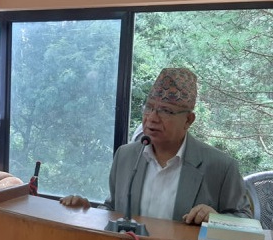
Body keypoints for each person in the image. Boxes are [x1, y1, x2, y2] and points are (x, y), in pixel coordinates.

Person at [60, 68, 251, 225]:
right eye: (149, 107)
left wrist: (216, 219)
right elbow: (113, 210)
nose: (152, 118)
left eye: (166, 111)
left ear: (188, 120)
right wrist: (87, 212)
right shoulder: (126, 156)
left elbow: (246, 222)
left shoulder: (220, 166)